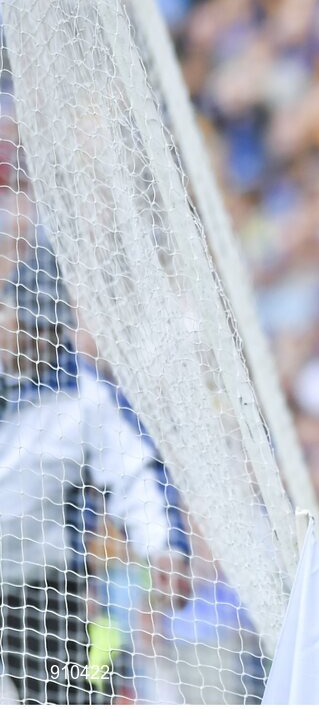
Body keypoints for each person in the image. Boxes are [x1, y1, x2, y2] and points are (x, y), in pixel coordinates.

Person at [0, 243, 188, 704]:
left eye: (45, 327)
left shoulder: (83, 396)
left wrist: (164, 549)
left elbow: (136, 472)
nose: (35, 337)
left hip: (42, 597)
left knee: (75, 696)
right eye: (24, 321)